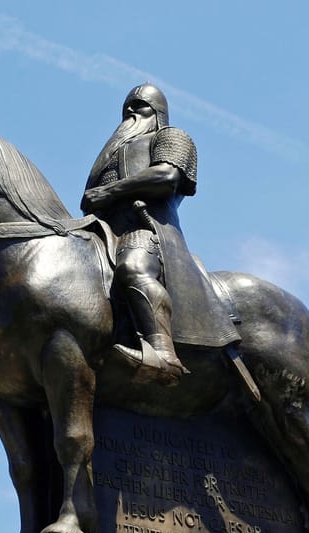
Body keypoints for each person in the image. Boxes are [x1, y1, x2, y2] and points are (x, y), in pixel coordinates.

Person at [82, 83, 239, 385]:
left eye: (140, 105)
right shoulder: (111, 154)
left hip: (145, 230)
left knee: (133, 267)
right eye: (127, 107)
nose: (131, 110)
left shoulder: (171, 137)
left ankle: (163, 354)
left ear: (158, 112)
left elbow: (167, 175)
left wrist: (110, 191)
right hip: (102, 233)